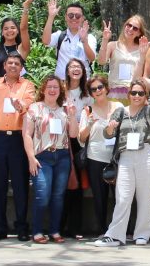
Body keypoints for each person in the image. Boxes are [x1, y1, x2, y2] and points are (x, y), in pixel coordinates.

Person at [92, 79, 150, 247]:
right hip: (125, 155)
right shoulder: (121, 111)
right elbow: (108, 134)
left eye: (141, 93)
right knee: (122, 197)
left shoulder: (149, 111)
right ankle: (115, 236)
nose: (137, 96)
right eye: (134, 92)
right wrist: (110, 128)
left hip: (147, 154)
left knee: (145, 198)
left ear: (146, 96)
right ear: (129, 95)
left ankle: (142, 235)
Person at [0, 52, 37, 241]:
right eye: (10, 63)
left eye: (17, 63)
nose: (13, 66)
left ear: (21, 68)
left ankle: (22, 228)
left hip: (18, 139)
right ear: (4, 66)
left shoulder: (27, 85)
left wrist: (20, 106)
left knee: (21, 185)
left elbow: (29, 103)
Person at [23, 75, 79, 243]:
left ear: (60, 91)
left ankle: (54, 230)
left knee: (58, 196)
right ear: (43, 89)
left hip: (62, 156)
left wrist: (72, 116)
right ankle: (37, 231)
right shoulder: (34, 108)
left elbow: (73, 134)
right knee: (42, 195)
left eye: (56, 87)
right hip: (42, 157)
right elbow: (27, 134)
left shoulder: (64, 110)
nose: (53, 90)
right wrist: (31, 158)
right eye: (49, 87)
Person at [79, 74, 123, 238]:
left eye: (100, 87)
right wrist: (90, 124)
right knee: (99, 197)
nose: (98, 91)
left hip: (116, 158)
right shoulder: (87, 111)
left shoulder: (118, 107)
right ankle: (102, 230)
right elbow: (81, 138)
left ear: (106, 88)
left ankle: (119, 230)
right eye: (93, 89)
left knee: (120, 197)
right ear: (90, 93)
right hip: (95, 158)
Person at [61, 58, 90, 239]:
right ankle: (58, 226)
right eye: (72, 67)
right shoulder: (60, 89)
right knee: (62, 184)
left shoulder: (88, 93)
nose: (75, 69)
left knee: (77, 184)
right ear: (67, 71)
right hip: (61, 139)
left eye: (79, 67)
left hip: (80, 141)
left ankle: (75, 227)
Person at [42, 0, 98, 79]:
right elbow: (45, 41)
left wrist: (84, 41)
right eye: (71, 15)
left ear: (83, 18)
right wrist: (51, 17)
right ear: (66, 17)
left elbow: (92, 58)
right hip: (62, 81)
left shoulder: (90, 37)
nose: (74, 18)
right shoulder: (60, 35)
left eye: (78, 16)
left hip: (82, 82)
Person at [98, 14, 147, 105]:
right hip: (114, 92)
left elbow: (141, 75)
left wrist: (142, 55)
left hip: (133, 94)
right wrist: (105, 40)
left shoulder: (142, 49)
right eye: (129, 25)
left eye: (135, 28)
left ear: (139, 33)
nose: (131, 29)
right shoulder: (112, 45)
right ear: (125, 26)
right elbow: (101, 61)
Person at [0, 0, 36, 79]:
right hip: (0, 87)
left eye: (13, 28)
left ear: (17, 31)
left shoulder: (22, 49)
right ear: (2, 32)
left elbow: (24, 28)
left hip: (18, 86)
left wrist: (26, 7)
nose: (9, 31)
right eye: (6, 28)